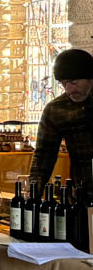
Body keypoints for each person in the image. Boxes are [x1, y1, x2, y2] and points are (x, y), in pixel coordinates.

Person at [29, 48, 93, 186]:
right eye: (63, 84)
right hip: (82, 193)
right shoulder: (56, 109)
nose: (69, 90)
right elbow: (43, 156)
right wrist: (33, 193)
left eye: (74, 82)